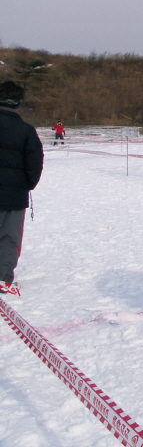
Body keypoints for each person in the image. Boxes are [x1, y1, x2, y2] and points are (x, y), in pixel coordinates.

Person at [0, 81, 44, 295]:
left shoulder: (27, 130)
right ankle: (3, 279)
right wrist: (27, 185)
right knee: (9, 238)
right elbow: (35, 164)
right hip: (13, 196)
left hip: (14, 193)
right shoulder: (26, 130)